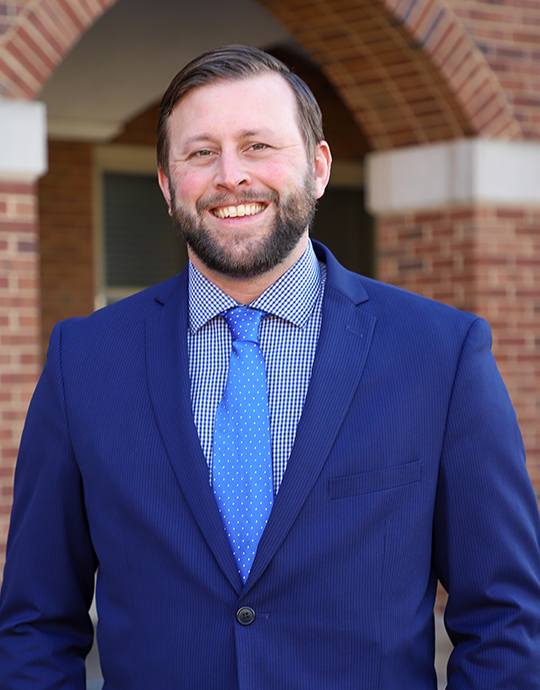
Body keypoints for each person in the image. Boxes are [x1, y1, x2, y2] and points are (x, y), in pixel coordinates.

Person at [0, 45, 539, 690]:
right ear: (170, 186)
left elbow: (506, 619)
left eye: (258, 146)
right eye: (201, 152)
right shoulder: (83, 361)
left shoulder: (440, 353)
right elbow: (36, 624)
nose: (231, 175)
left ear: (318, 168)